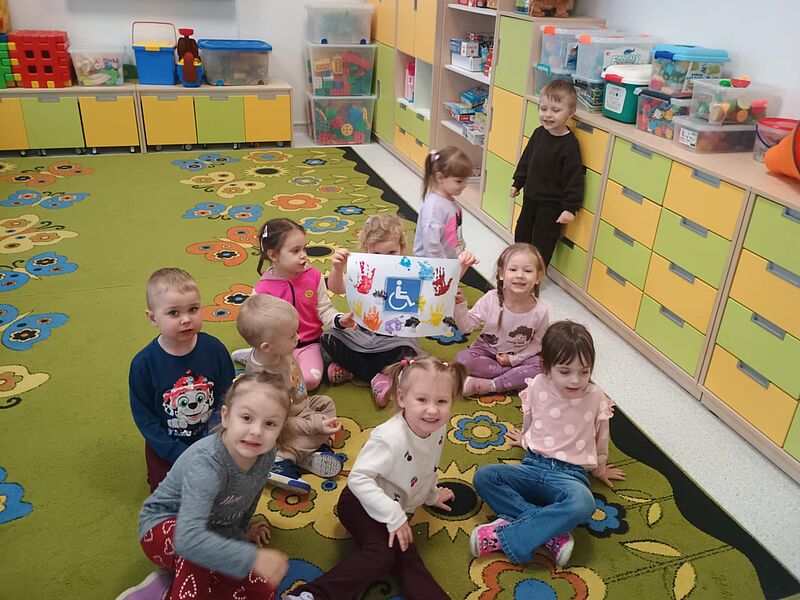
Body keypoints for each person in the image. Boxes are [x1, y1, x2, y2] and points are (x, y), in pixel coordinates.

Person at [285, 356, 468, 600]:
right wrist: (393, 516)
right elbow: (358, 479)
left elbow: (427, 465)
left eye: (442, 401)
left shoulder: (437, 427)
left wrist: (432, 494)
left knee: (404, 554)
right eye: (422, 400)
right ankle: (310, 595)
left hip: (395, 508)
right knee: (382, 554)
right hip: (359, 504)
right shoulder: (389, 438)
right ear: (402, 398)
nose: (433, 410)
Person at [120, 372, 291, 600]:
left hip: (212, 530)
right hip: (165, 527)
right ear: (226, 417)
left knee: (264, 587)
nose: (256, 431)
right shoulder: (208, 465)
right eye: (246, 418)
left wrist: (242, 534)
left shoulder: (267, 451)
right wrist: (250, 557)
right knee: (198, 554)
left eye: (270, 423)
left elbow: (251, 493)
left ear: (281, 428)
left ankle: (165, 589)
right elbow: (188, 539)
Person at [468, 321, 626, 567]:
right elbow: (531, 417)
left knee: (584, 503)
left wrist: (600, 466)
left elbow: (601, 434)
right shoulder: (538, 384)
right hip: (532, 465)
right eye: (565, 371)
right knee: (484, 477)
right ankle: (551, 534)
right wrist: (525, 438)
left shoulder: (595, 396)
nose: (575, 380)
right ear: (546, 367)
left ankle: (510, 535)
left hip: (570, 476)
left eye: (584, 372)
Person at [129, 267, 236, 492]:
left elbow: (227, 398)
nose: (186, 319)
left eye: (193, 309)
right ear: (153, 318)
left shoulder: (215, 350)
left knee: (227, 487)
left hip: (213, 439)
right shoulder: (143, 364)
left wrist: (213, 438)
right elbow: (145, 419)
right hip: (167, 447)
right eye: (174, 313)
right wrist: (175, 452)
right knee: (171, 496)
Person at [232, 218, 356, 391]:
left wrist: (339, 319)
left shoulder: (314, 276)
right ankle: (256, 354)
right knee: (266, 381)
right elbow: (256, 325)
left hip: (308, 344)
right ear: (273, 255)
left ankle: (259, 357)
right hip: (277, 347)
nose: (303, 255)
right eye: (295, 251)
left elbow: (324, 309)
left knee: (309, 381)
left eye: (304, 248)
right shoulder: (262, 289)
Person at [236, 293, 342, 494]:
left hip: (301, 404)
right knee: (312, 428)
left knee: (325, 402)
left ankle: (309, 450)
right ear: (267, 347)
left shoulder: (276, 352)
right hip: (282, 421)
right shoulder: (265, 382)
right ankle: (281, 460)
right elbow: (281, 422)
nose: (299, 338)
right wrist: (315, 425)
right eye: (292, 336)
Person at [323, 214, 422, 407]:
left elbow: (434, 292)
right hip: (362, 337)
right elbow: (336, 288)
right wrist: (337, 268)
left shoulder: (410, 272)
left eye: (391, 252)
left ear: (401, 247)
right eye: (377, 254)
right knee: (328, 338)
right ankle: (378, 376)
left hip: (394, 341)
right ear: (366, 250)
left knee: (407, 353)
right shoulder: (362, 271)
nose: (384, 260)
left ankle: (354, 369)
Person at [454, 243, 549, 397]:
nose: (520, 275)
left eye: (527, 271)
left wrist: (513, 359)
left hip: (520, 357)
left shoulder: (541, 311)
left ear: (538, 277)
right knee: (462, 360)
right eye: (513, 269)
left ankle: (490, 385)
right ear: (501, 274)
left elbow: (537, 344)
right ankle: (513, 378)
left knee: (544, 366)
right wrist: (460, 305)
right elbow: (466, 327)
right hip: (486, 352)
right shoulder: (490, 299)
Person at [511, 79, 584, 267]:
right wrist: (517, 183)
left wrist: (570, 207)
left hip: (551, 205)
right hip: (530, 198)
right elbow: (526, 160)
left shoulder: (569, 145)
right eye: (543, 109)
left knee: (543, 241)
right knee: (522, 233)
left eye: (556, 110)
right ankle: (518, 265)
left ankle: (536, 273)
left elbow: (574, 179)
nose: (548, 115)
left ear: (571, 112)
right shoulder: (538, 133)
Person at [413, 146, 473, 259]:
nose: (465, 185)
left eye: (466, 180)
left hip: (449, 261)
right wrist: (443, 266)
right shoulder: (434, 208)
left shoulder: (448, 202)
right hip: (433, 266)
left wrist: (460, 253)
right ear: (440, 178)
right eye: (459, 181)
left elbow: (454, 234)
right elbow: (432, 246)